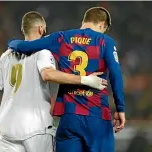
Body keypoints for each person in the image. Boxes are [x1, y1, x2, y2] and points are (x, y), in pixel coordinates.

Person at [0, 11, 108, 152]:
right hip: (37, 129)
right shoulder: (43, 52)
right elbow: (47, 74)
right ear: (41, 29)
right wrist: (85, 79)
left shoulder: (6, 56)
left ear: (23, 29)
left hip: (8, 131)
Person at [8, 7, 126, 152]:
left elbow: (25, 46)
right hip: (97, 116)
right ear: (102, 25)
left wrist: (12, 43)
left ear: (84, 21)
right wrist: (120, 108)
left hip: (69, 117)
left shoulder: (62, 38)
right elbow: (115, 73)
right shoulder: (105, 41)